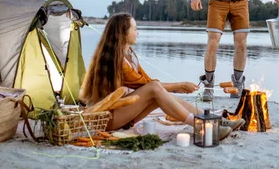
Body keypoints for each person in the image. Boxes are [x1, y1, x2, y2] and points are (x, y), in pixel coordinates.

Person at [80, 13, 244, 138]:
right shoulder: (118, 61)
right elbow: (146, 86)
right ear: (123, 33)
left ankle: (213, 119)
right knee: (155, 89)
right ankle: (200, 125)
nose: (138, 32)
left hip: (124, 114)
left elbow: (147, 82)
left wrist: (175, 88)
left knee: (159, 92)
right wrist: (178, 86)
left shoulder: (129, 55)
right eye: (134, 29)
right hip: (109, 120)